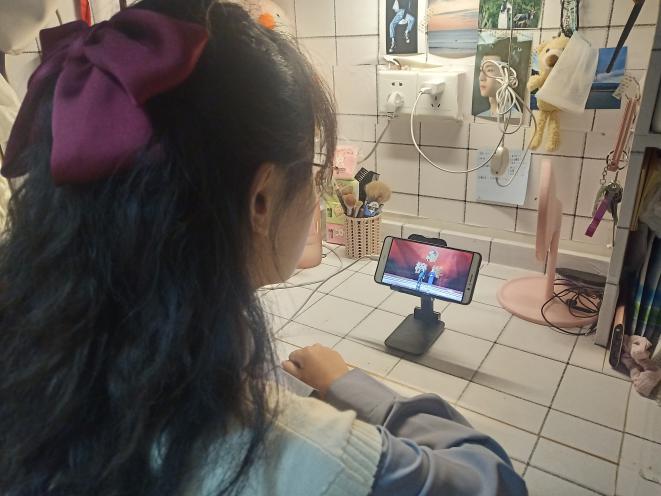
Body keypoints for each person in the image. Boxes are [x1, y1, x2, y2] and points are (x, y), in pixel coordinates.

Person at [0, 1, 528, 495]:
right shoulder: (299, 451)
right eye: (313, 169)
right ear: (261, 198)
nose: (318, 191)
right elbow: (493, 479)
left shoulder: (36, 361)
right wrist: (352, 384)